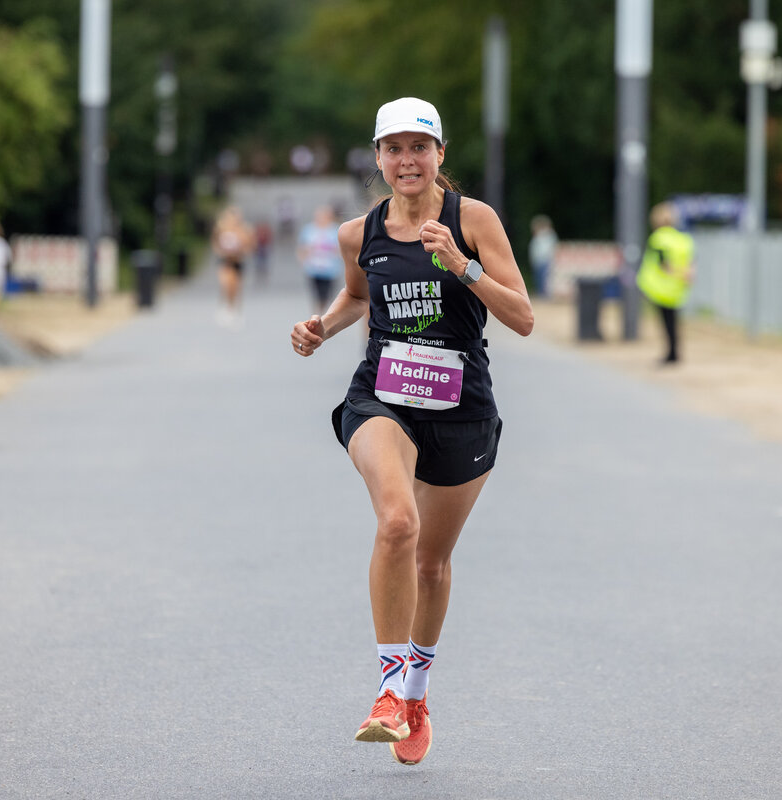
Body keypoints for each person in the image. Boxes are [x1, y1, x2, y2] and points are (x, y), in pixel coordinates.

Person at [290, 97, 533, 766]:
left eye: (419, 147)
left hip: (461, 407)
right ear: (378, 158)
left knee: (432, 562)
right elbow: (358, 295)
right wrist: (321, 328)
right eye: (393, 149)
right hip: (382, 398)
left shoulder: (473, 221)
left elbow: (522, 317)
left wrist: (462, 264)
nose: (407, 160)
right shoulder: (357, 234)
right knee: (398, 523)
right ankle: (390, 692)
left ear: (439, 154)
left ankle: (417, 696)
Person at [635, 201, 695, 364]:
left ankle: (671, 354)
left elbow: (663, 264)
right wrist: (684, 276)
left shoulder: (659, 238)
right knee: (674, 322)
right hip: (678, 288)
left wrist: (674, 274)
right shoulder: (683, 239)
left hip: (661, 289)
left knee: (666, 323)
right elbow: (690, 265)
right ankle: (674, 352)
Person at [211, 206, 255, 326]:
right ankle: (225, 307)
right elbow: (215, 242)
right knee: (225, 283)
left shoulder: (244, 230)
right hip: (225, 261)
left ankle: (234, 309)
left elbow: (249, 246)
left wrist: (241, 251)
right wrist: (221, 251)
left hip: (237, 261)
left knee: (235, 286)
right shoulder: (221, 228)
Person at [297, 205, 344, 316]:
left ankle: (322, 312)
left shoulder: (335, 230)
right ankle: (318, 313)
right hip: (313, 268)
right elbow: (302, 246)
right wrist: (303, 259)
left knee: (326, 294)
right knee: (316, 294)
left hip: (330, 269)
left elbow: (341, 248)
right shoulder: (309, 229)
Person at [528, 214, 558, 298]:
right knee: (539, 278)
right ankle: (541, 293)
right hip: (539, 261)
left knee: (544, 279)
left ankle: (544, 294)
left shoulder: (547, 236)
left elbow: (547, 250)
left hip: (545, 261)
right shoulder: (538, 238)